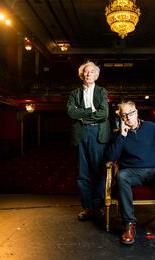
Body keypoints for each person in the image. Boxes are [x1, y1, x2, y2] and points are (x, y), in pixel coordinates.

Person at [106, 100, 155, 245]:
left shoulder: (150, 127)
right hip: (131, 172)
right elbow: (112, 157)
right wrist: (122, 136)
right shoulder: (118, 135)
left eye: (130, 114)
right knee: (121, 176)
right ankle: (129, 225)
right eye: (123, 116)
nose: (127, 118)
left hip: (153, 170)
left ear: (136, 112)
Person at [67, 61, 111, 221]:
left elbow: (104, 113)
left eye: (92, 72)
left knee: (99, 172)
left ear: (96, 75)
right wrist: (89, 111)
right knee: (82, 175)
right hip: (80, 134)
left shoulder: (101, 91)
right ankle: (87, 207)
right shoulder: (74, 93)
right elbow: (71, 112)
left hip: (97, 133)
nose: (88, 74)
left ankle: (97, 206)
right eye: (86, 72)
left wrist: (82, 116)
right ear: (82, 75)